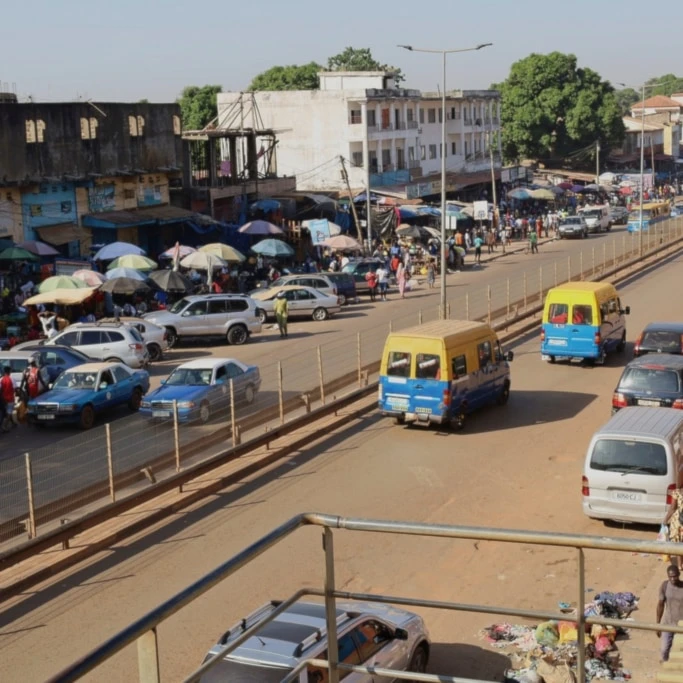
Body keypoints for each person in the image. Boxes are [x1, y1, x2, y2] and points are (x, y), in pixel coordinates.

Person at [657, 565, 683, 662]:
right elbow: (660, 605)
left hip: (681, 626)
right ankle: (665, 665)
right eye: (670, 576)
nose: (673, 579)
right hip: (668, 623)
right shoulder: (665, 586)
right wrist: (658, 624)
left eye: (675, 576)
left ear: (679, 575)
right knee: (664, 650)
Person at [0, 365, 16, 432]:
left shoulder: (1, 379)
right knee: (9, 412)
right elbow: (15, 389)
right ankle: (4, 426)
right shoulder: (12, 379)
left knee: (7, 411)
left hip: (3, 399)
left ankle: (13, 423)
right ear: (9, 371)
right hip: (10, 399)